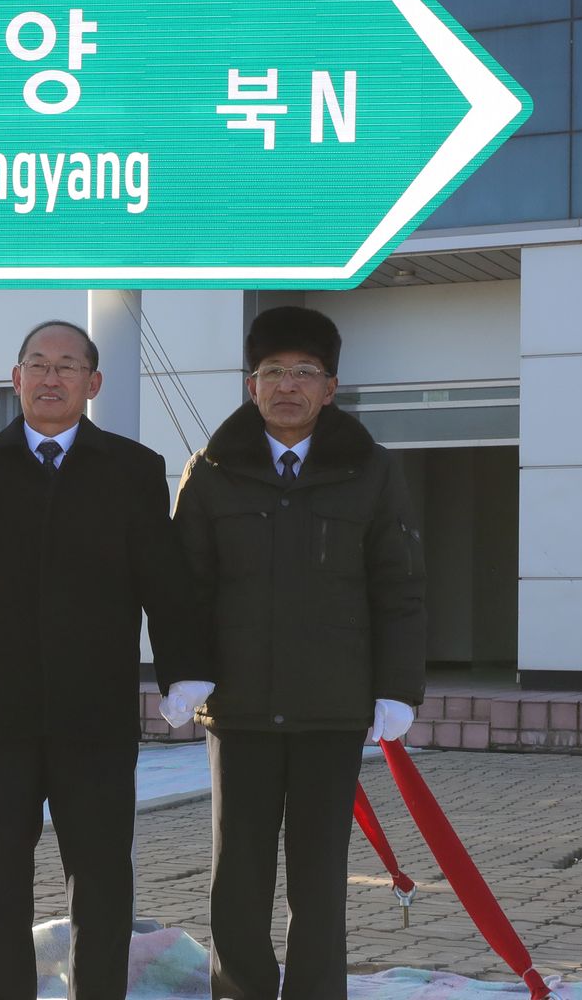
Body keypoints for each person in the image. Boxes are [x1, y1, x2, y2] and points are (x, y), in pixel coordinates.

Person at [0, 321, 205, 1000]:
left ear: (93, 383)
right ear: (17, 378)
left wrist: (182, 669)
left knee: (103, 876)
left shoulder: (132, 470)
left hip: (97, 710)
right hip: (2, 708)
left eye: (66, 366)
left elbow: (165, 582)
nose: (50, 378)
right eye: (37, 364)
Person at [165, 306, 427, 1000]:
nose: (288, 385)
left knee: (320, 875)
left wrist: (398, 687)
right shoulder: (211, 472)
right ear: (250, 384)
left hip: (331, 708)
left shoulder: (371, 471)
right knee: (238, 872)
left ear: (330, 387)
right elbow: (183, 587)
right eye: (273, 371)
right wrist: (185, 671)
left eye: (305, 372)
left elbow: (399, 585)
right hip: (241, 707)